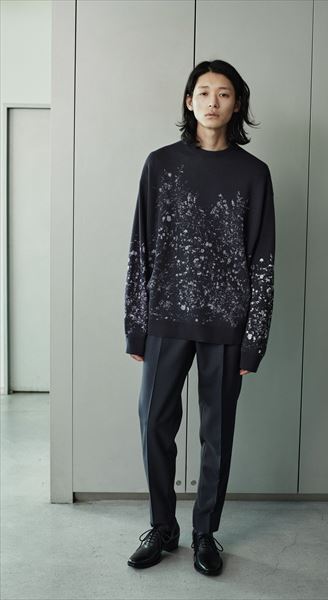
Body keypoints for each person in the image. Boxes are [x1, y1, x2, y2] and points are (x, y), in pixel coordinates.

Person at [124, 59, 275, 576]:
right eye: (204, 92)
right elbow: (141, 247)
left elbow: (263, 259)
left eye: (224, 93)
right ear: (189, 101)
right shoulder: (160, 164)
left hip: (227, 323)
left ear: (237, 105)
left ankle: (205, 532)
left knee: (218, 433)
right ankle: (162, 527)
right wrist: (135, 324)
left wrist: (254, 338)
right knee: (154, 423)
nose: (213, 101)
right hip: (166, 316)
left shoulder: (254, 173)